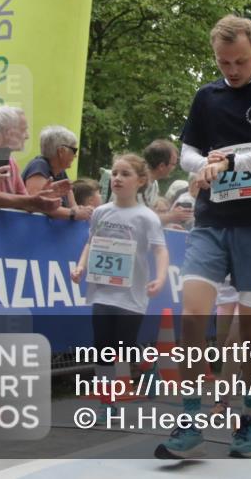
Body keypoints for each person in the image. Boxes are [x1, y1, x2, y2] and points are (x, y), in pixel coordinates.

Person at [155, 15, 251, 460]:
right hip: (211, 221)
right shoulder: (207, 96)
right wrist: (202, 166)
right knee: (194, 315)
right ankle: (191, 418)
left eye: (239, 61)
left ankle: (249, 417)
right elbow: (187, 153)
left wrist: (229, 164)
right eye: (223, 63)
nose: (231, 70)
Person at [70, 153, 169, 417]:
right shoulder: (101, 212)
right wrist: (81, 266)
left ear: (141, 181)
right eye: (114, 173)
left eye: (125, 174)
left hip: (131, 294)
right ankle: (107, 403)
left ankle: (148, 365)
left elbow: (160, 250)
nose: (117, 178)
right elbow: (91, 242)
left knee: (124, 348)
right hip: (102, 291)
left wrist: (160, 277)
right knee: (103, 347)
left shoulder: (146, 217)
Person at [0, 106, 67, 213]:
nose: (27, 136)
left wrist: (43, 197)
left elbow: (25, 203)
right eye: (23, 130)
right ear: (8, 132)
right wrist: (33, 200)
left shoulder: (11, 161)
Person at [21, 125, 93, 221]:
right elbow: (38, 205)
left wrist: (84, 211)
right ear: (61, 151)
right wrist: (73, 214)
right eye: (74, 151)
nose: (75, 156)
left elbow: (73, 206)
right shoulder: (38, 166)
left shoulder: (60, 172)